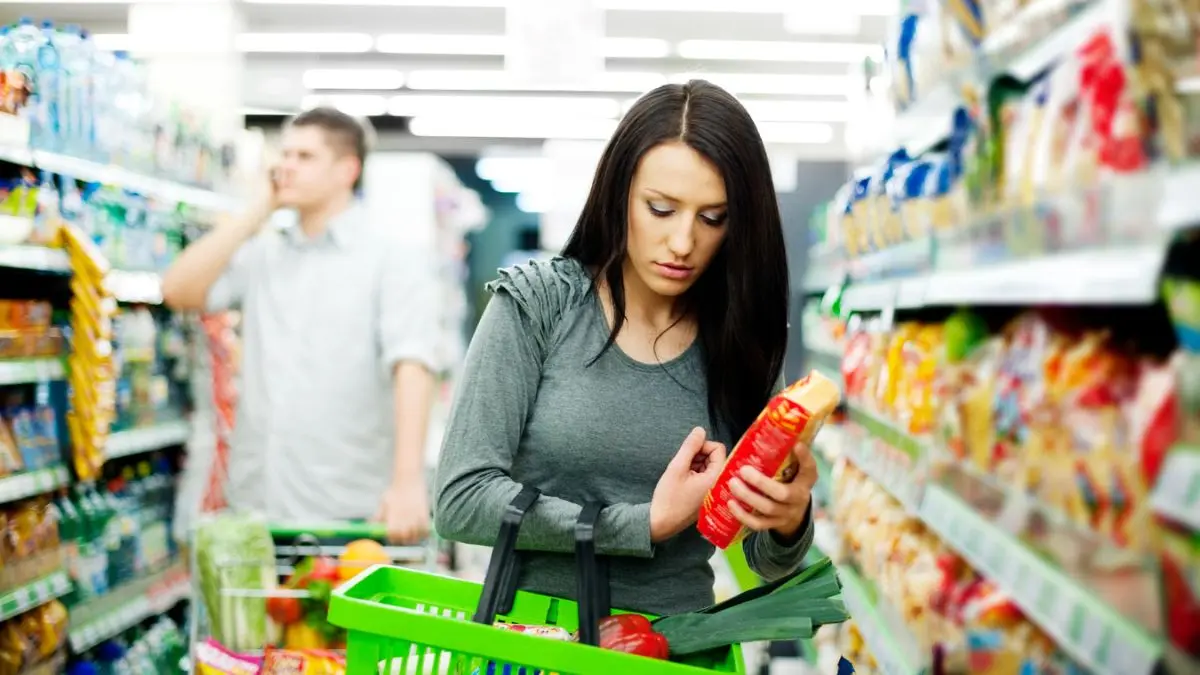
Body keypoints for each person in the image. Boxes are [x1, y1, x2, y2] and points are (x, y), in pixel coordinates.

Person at [435, 80, 817, 616]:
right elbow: (460, 502)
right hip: (535, 643)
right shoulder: (539, 304)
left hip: (673, 649)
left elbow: (765, 560)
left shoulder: (742, 336)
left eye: (712, 218)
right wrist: (643, 525)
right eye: (661, 209)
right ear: (620, 196)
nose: (683, 242)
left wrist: (789, 519)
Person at [161, 107, 438, 544]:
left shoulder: (389, 258)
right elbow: (179, 290)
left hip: (347, 512)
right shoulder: (266, 254)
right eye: (284, 154)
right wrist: (260, 208)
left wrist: (408, 483)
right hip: (257, 508)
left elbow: (413, 367)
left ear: (348, 169)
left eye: (304, 157)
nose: (285, 166)